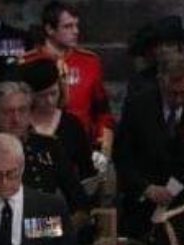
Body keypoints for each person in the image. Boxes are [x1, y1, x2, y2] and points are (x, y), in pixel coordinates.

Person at [114, 53, 184, 245]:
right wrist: (146, 188)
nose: (179, 99)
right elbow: (123, 157)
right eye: (173, 93)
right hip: (144, 205)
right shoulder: (137, 107)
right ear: (161, 82)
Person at [0, 81, 94, 226]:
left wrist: (38, 231)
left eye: (22, 110)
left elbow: (81, 206)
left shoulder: (49, 147)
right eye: (7, 112)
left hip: (43, 235)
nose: (16, 119)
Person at [21, 1, 116, 156]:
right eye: (68, 26)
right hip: (39, 148)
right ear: (50, 29)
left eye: (76, 25)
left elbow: (103, 112)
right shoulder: (28, 63)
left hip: (82, 148)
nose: (76, 31)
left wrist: (103, 148)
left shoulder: (89, 62)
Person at [21, 58, 94, 181]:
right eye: (42, 96)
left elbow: (86, 169)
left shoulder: (71, 124)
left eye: (53, 93)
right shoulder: (20, 124)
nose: (49, 101)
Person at [125, 15, 184, 101]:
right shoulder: (140, 81)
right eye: (158, 46)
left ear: (179, 48)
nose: (163, 50)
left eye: (169, 45)